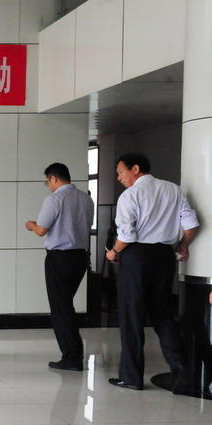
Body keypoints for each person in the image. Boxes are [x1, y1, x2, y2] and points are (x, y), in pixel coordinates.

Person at [105, 153, 198, 391]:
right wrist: (183, 245)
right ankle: (182, 373)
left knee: (131, 316)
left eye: (121, 172)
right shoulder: (174, 190)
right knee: (163, 315)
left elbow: (126, 236)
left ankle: (131, 377)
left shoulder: (131, 195)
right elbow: (190, 224)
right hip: (164, 258)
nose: (119, 177)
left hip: (136, 257)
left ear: (135, 169)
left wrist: (114, 252)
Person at [25, 163, 94, 371]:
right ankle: (74, 353)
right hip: (80, 257)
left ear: (53, 178)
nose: (48, 186)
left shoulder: (54, 199)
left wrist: (31, 225)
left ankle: (72, 357)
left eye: (47, 182)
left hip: (59, 258)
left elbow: (41, 230)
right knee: (66, 305)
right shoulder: (86, 199)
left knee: (61, 308)